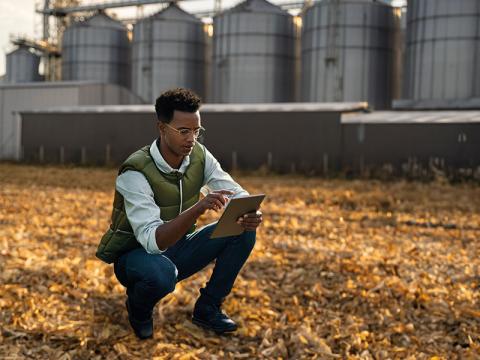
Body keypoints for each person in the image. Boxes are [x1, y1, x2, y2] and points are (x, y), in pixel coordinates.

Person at [96, 88, 263, 339]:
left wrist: (249, 211)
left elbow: (233, 190)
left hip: (179, 246)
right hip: (136, 256)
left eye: (196, 131)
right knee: (162, 276)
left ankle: (208, 308)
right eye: (183, 131)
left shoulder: (199, 156)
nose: (192, 139)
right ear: (162, 128)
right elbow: (153, 242)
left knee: (242, 231)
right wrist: (198, 209)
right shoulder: (135, 172)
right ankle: (138, 309)